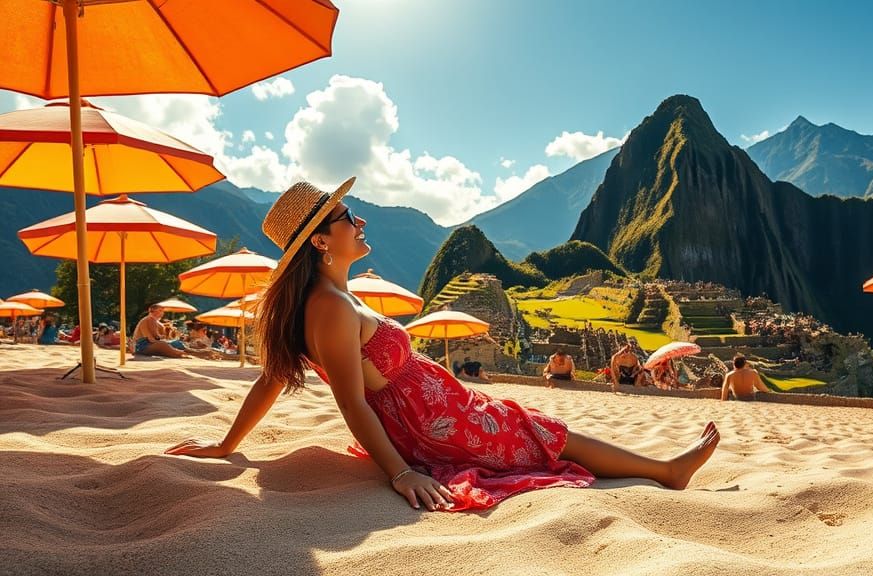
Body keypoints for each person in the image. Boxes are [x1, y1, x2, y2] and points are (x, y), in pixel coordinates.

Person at [165, 179, 719, 512]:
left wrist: (227, 442)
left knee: (537, 424)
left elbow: (269, 378)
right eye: (344, 217)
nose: (358, 220)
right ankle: (665, 472)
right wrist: (400, 473)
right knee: (548, 433)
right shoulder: (330, 308)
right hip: (441, 427)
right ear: (319, 240)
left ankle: (662, 468)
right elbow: (352, 402)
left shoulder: (328, 299)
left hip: (449, 411)